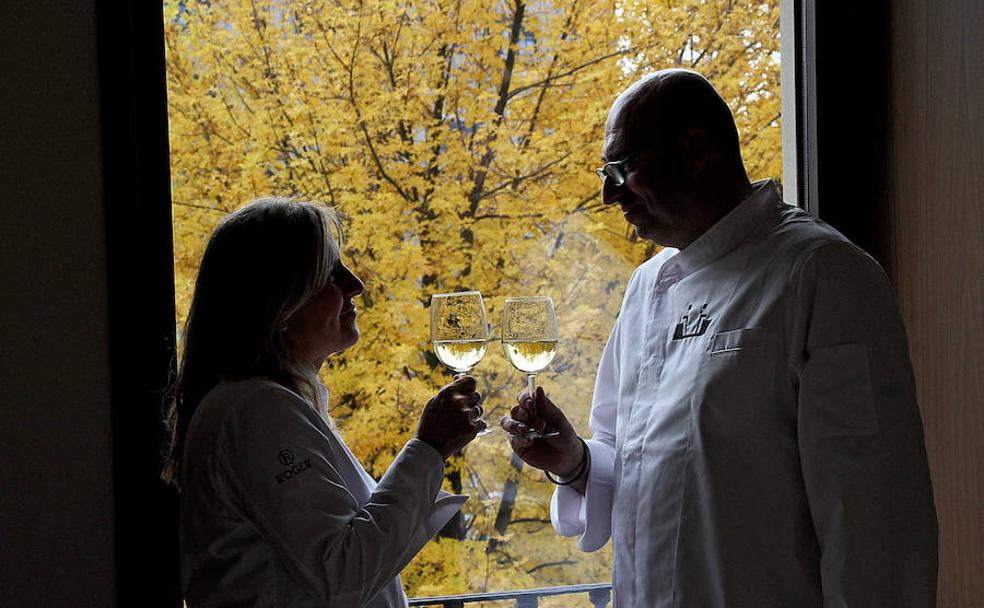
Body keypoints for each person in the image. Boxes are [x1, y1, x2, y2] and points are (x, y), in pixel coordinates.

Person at [501, 69, 938, 606]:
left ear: (693, 148)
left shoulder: (822, 276)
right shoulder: (645, 288)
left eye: (623, 168)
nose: (608, 194)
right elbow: (644, 472)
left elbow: (875, 526)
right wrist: (576, 461)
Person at [162, 198, 485, 607]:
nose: (355, 284)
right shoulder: (255, 410)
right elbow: (344, 572)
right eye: (330, 274)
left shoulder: (261, 403)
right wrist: (429, 449)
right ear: (279, 303)